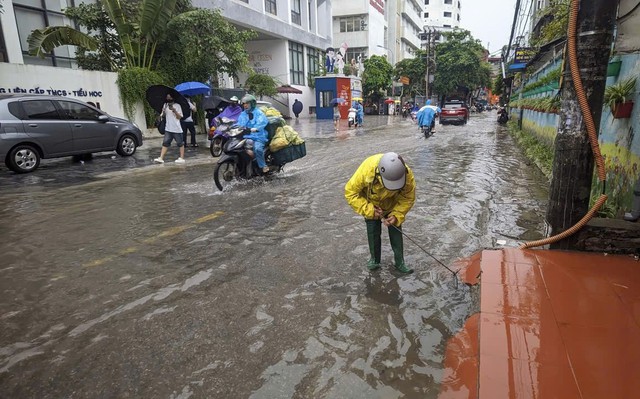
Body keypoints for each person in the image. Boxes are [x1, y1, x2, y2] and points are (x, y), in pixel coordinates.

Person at [345, 152, 416, 274]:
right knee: (373, 231)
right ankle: (374, 260)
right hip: (371, 203)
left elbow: (408, 197)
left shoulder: (405, 173)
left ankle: (400, 262)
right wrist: (370, 210)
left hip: (393, 204)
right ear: (379, 174)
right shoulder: (367, 169)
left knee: (396, 229)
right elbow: (350, 192)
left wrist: (397, 214)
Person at [237, 94, 270, 174]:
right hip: (246, 136)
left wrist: (256, 128)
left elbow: (262, 122)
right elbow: (239, 124)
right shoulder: (243, 114)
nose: (245, 105)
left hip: (258, 136)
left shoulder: (258, 113)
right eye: (244, 104)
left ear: (252, 103)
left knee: (258, 149)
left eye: (247, 103)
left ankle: (263, 166)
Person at [154, 93, 185, 164]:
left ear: (173, 97)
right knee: (165, 143)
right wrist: (164, 111)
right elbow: (163, 116)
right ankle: (161, 158)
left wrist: (174, 110)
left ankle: (182, 157)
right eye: (167, 97)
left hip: (176, 128)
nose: (168, 98)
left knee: (180, 143)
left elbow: (179, 117)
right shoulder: (165, 105)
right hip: (168, 128)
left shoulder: (177, 106)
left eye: (170, 97)